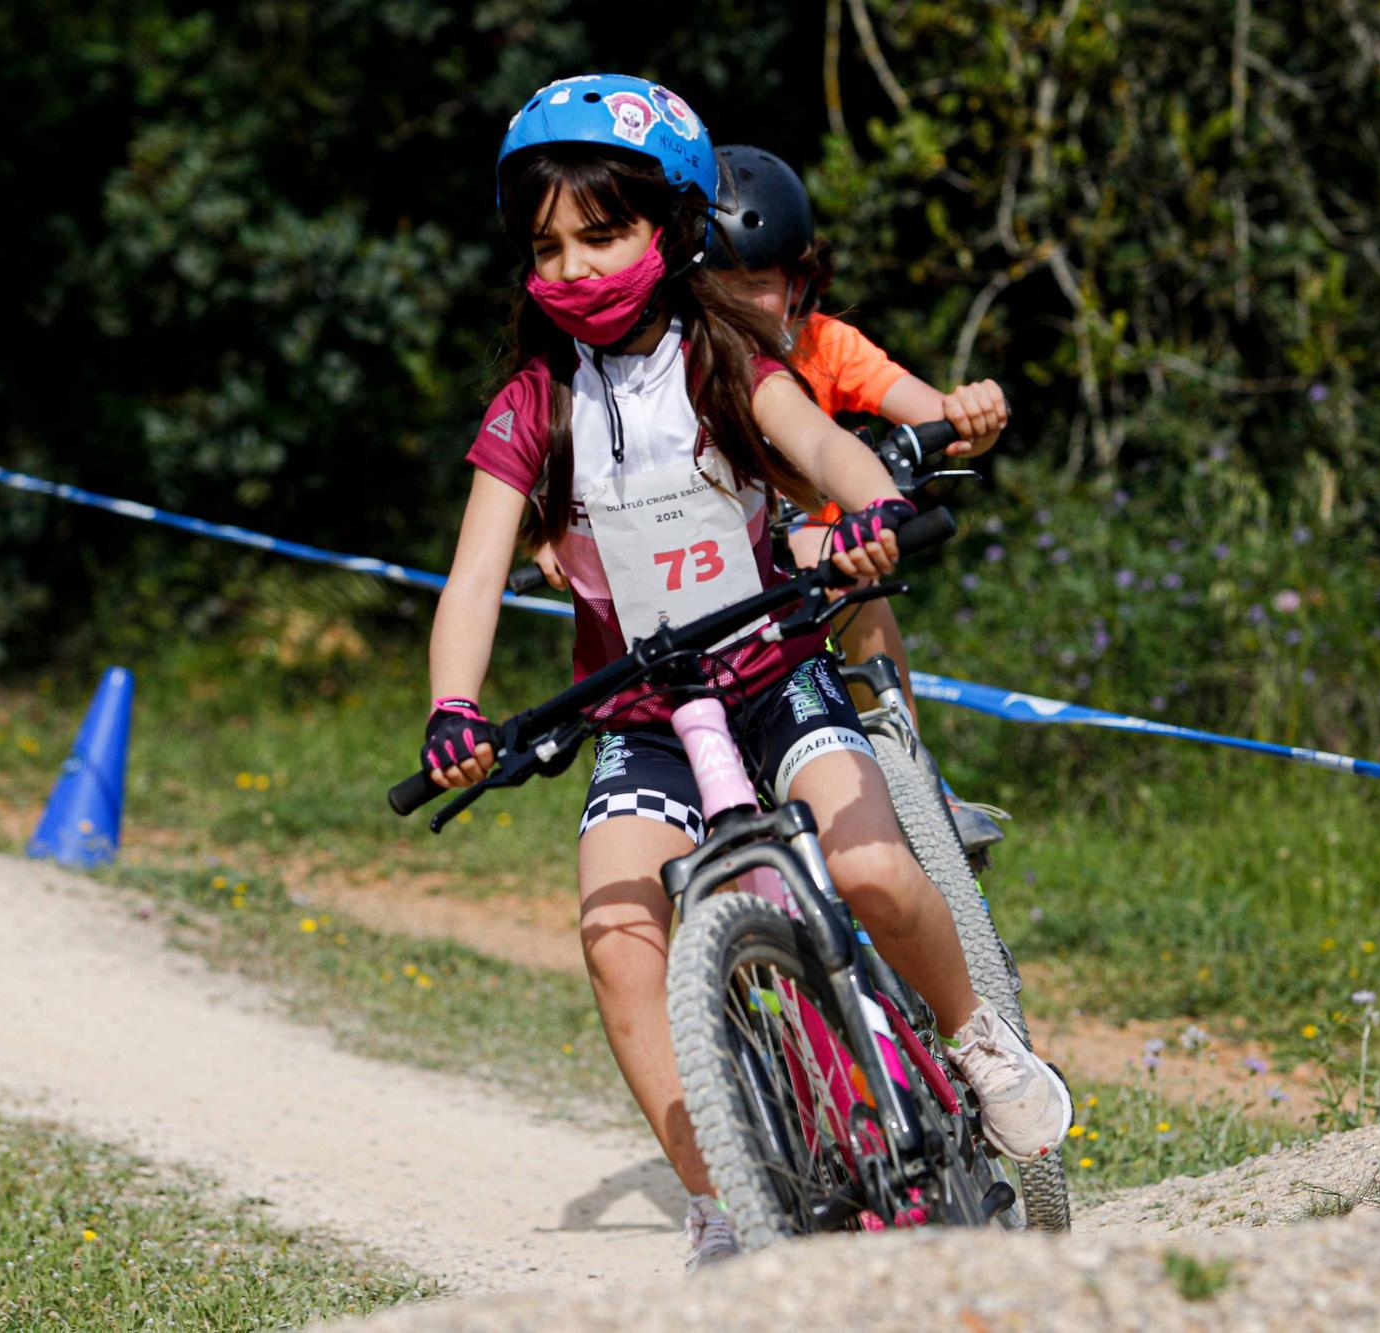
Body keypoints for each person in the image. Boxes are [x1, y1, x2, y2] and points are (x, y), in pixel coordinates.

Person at [422, 74, 1071, 1272]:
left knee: (873, 866)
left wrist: (879, 508)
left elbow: (824, 445)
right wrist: (453, 707)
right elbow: (470, 576)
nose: (572, 267)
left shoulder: (724, 353)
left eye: (602, 234)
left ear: (669, 231)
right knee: (616, 936)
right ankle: (724, 1197)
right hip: (644, 719)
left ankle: (980, 1044)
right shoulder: (530, 406)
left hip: (775, 676)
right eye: (545, 245)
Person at [532, 144, 1010, 724]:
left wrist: (971, 417)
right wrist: (553, 535)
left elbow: (935, 416)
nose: (738, 304)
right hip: (700, 570)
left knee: (850, 575)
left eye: (757, 281)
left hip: (821, 557)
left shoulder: (825, 346)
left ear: (799, 285)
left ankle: (902, 744)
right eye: (718, 283)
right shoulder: (662, 367)